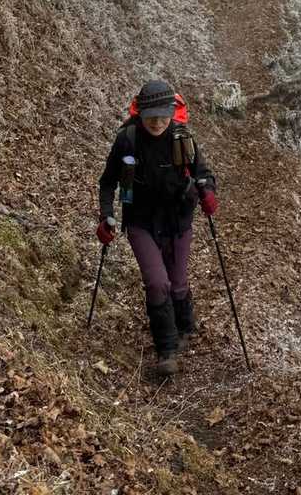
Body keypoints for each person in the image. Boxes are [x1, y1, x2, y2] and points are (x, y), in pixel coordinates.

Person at [96, 78, 218, 377]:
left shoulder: (181, 137)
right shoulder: (127, 140)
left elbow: (203, 173)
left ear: (171, 113)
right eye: (151, 116)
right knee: (157, 282)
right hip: (141, 220)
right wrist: (106, 216)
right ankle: (167, 350)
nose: (157, 122)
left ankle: (185, 325)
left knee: (177, 283)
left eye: (163, 115)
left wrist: (207, 192)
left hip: (178, 218)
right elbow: (107, 182)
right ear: (141, 114)